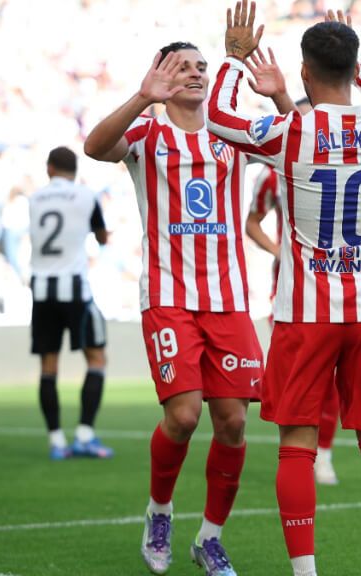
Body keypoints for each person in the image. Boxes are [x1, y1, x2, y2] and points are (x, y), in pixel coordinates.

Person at [208, 5, 361, 575]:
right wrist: (353, 54)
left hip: (306, 311)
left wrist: (234, 57)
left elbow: (220, 117)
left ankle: (306, 571)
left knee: (296, 444)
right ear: (353, 66)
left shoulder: (291, 131)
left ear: (302, 72)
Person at [84, 35, 284, 575]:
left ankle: (211, 539)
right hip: (169, 297)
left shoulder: (228, 134)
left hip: (228, 301)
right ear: (161, 74)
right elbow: (94, 147)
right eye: (183, 67)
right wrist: (140, 97)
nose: (196, 73)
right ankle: (159, 511)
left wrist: (262, 83)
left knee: (234, 425)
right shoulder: (147, 131)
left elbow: (297, 138)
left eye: (202, 66)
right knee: (184, 414)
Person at [245, 97, 340, 486]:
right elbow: (252, 221)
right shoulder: (274, 171)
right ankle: (302, 451)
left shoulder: (348, 158)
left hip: (339, 283)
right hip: (291, 288)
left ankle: (325, 455)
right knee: (299, 376)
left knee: (332, 378)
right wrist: (277, 250)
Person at [28, 146, 112, 460]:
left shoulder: (34, 199)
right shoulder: (86, 196)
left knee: (49, 367)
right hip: (75, 289)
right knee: (97, 359)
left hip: (41, 290)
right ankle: (85, 436)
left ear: (49, 168)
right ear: (74, 170)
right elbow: (101, 237)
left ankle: (55, 441)